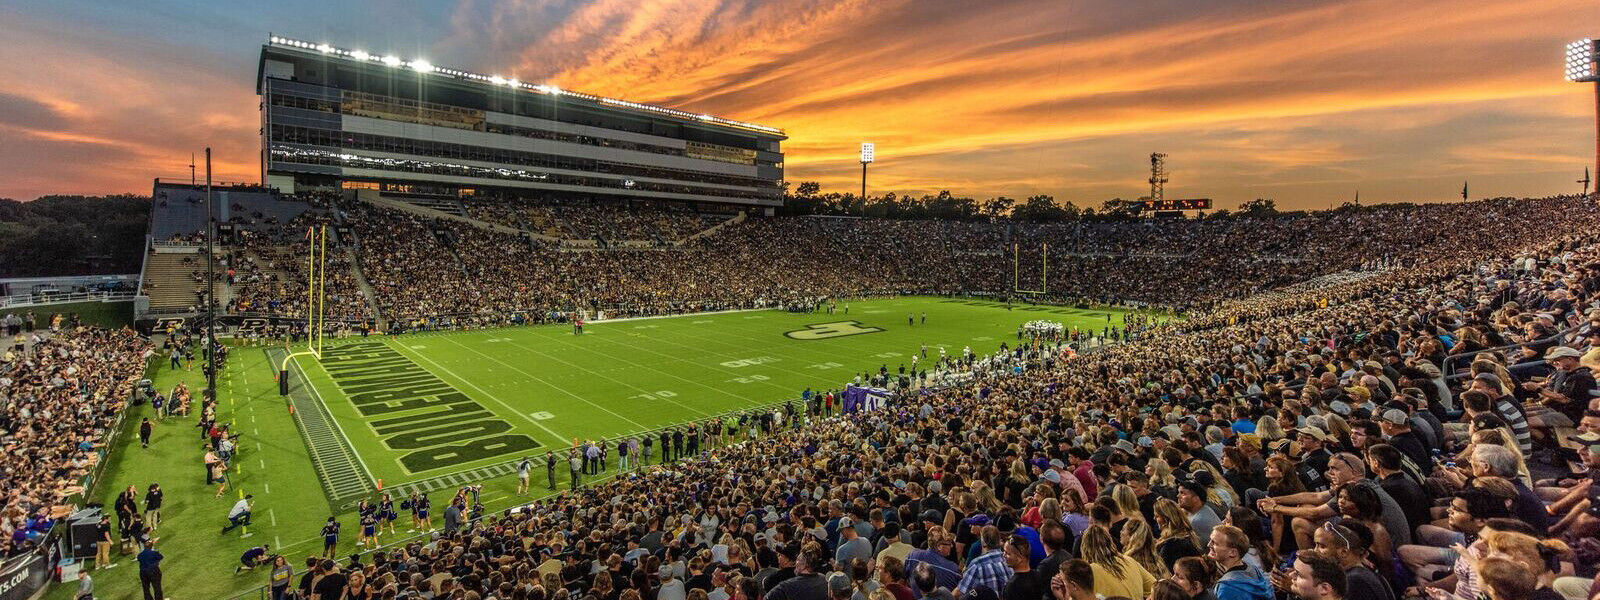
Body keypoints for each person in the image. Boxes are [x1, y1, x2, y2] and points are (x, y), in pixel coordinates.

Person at [1077, 524, 1153, 599]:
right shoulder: (1129, 560)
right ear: (1110, 542)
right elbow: (1156, 587)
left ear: (1084, 548)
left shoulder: (1089, 571)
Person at [1207, 524, 1271, 600]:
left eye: (1214, 543)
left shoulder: (1226, 588)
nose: (1208, 545)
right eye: (1210, 540)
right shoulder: (1253, 569)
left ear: (1233, 552)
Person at [1000, 534, 1042, 600]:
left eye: (1007, 553)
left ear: (1019, 558)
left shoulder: (1012, 587)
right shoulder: (1038, 576)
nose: (1003, 555)